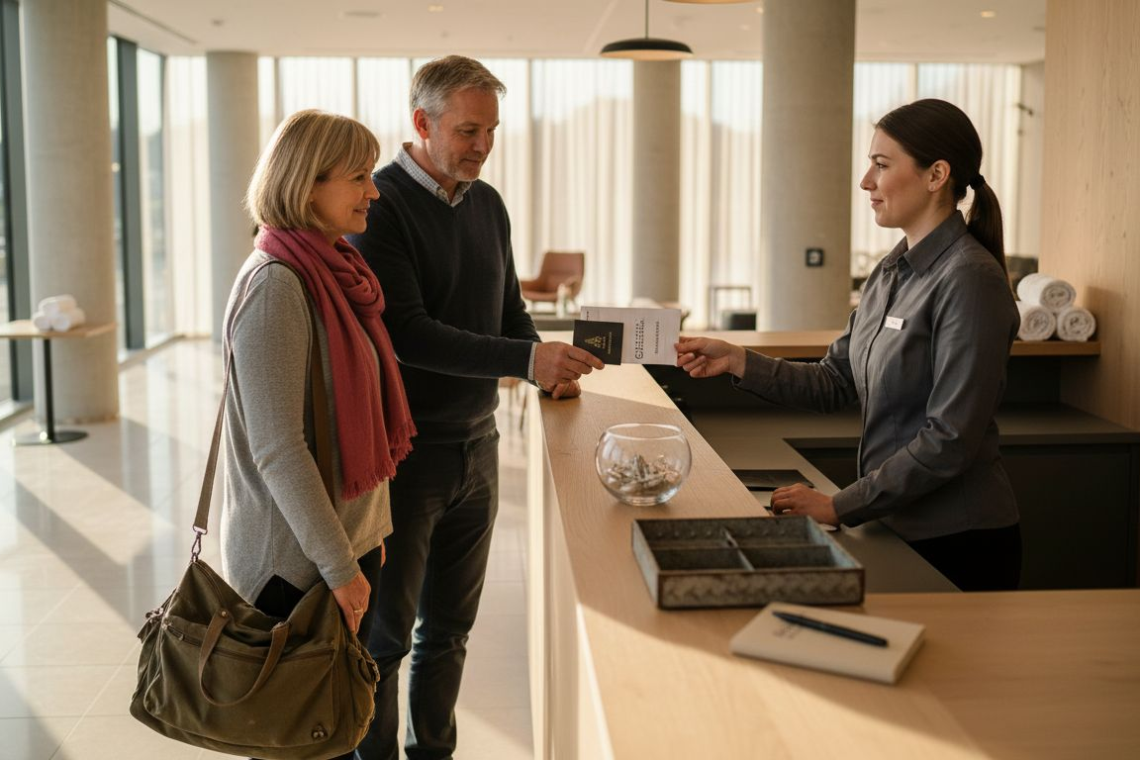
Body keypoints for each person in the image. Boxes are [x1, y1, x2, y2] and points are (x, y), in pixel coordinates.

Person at [347, 55, 604, 759]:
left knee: (450, 633)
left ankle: (434, 752)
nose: (482, 146)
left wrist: (546, 365)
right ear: (422, 122)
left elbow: (508, 312)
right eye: (467, 130)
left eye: (490, 130)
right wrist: (523, 360)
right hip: (405, 456)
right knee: (387, 637)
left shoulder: (487, 203)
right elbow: (405, 331)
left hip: (478, 447)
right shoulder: (380, 204)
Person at [676, 99, 1021, 592]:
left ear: (936, 174)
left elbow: (951, 438)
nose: (866, 182)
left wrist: (841, 505)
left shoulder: (969, 279)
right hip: (892, 523)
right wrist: (737, 360)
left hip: (958, 541)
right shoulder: (889, 272)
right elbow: (835, 381)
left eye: (881, 165)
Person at [220, 109, 415, 760]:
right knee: (292, 742)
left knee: (328, 733)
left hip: (341, 549)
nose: (374, 190)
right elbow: (280, 449)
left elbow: (351, 417)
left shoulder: (333, 274)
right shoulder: (276, 285)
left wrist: (371, 536)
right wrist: (341, 565)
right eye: (359, 175)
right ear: (307, 186)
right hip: (295, 567)